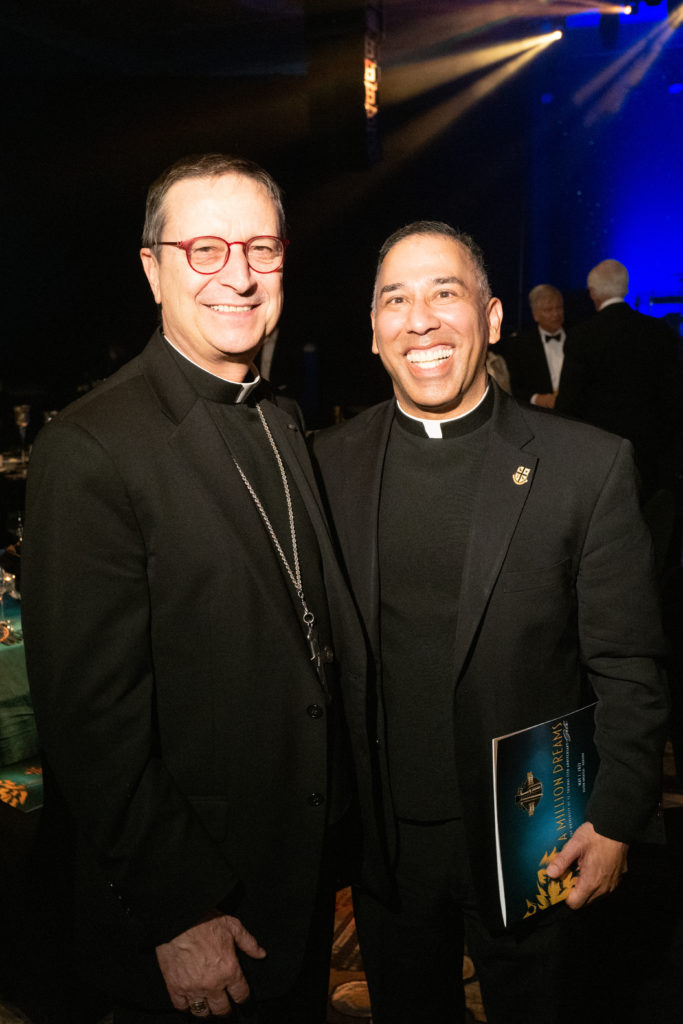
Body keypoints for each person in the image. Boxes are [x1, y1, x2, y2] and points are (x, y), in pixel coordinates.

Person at [21, 154, 371, 1024]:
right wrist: (178, 908)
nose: (240, 278)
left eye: (260, 249)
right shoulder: (94, 445)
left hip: (292, 888)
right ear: (152, 268)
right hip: (197, 910)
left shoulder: (281, 417)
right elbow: (89, 720)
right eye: (205, 249)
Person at [312, 222, 669, 1024]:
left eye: (446, 293)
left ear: (493, 317)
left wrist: (615, 821)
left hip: (533, 836)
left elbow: (628, 666)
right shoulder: (324, 464)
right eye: (395, 300)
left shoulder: (587, 464)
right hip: (385, 851)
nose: (421, 319)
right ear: (373, 331)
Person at [556, 258, 682, 501]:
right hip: (652, 454)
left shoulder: (582, 336)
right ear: (625, 287)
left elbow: (570, 404)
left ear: (593, 293)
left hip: (599, 455)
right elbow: (674, 398)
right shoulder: (659, 332)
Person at [504, 283, 567, 407]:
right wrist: (537, 398)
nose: (556, 314)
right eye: (548, 310)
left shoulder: (578, 337)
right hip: (538, 413)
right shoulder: (520, 345)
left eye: (559, 307)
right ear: (535, 314)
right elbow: (516, 387)